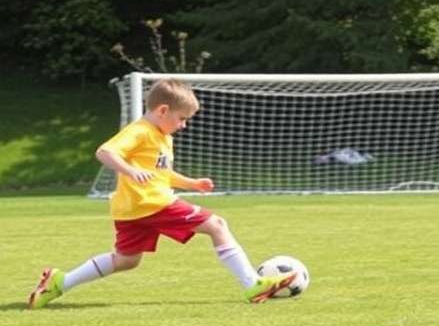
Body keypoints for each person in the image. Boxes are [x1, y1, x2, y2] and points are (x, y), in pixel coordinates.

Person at [28, 78, 295, 308]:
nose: (184, 125)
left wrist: (192, 184)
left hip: (133, 209)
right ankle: (253, 284)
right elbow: (104, 152)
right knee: (217, 225)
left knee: (126, 261)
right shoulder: (140, 131)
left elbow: (161, 173)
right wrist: (130, 172)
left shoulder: (163, 137)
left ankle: (60, 282)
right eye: (182, 119)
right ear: (163, 110)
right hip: (153, 204)